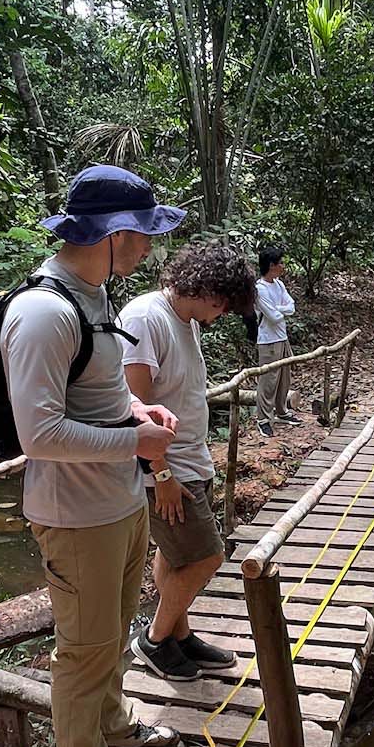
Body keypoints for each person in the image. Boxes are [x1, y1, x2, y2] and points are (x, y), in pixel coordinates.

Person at [4, 165, 183, 747]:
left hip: (118, 501)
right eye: (139, 235)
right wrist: (135, 442)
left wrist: (138, 409)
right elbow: (39, 433)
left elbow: (99, 395)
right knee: (82, 649)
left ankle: (116, 727)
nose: (145, 249)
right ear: (109, 234)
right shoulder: (45, 312)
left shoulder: (93, 295)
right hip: (74, 513)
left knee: (111, 632)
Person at [119, 244, 256, 682]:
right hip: (165, 468)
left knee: (177, 556)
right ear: (210, 292)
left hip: (190, 459)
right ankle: (155, 641)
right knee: (207, 557)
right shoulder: (145, 318)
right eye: (224, 306)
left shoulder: (184, 320)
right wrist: (161, 475)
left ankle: (180, 635)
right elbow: (131, 405)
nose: (222, 315)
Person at [254, 247, 298, 437]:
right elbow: (273, 317)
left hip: (282, 337)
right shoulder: (260, 289)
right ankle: (263, 419)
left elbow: (292, 307)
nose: (283, 266)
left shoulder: (279, 284)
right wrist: (281, 309)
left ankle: (281, 411)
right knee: (268, 380)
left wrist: (279, 308)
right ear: (271, 265)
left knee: (283, 378)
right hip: (268, 340)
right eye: (280, 263)